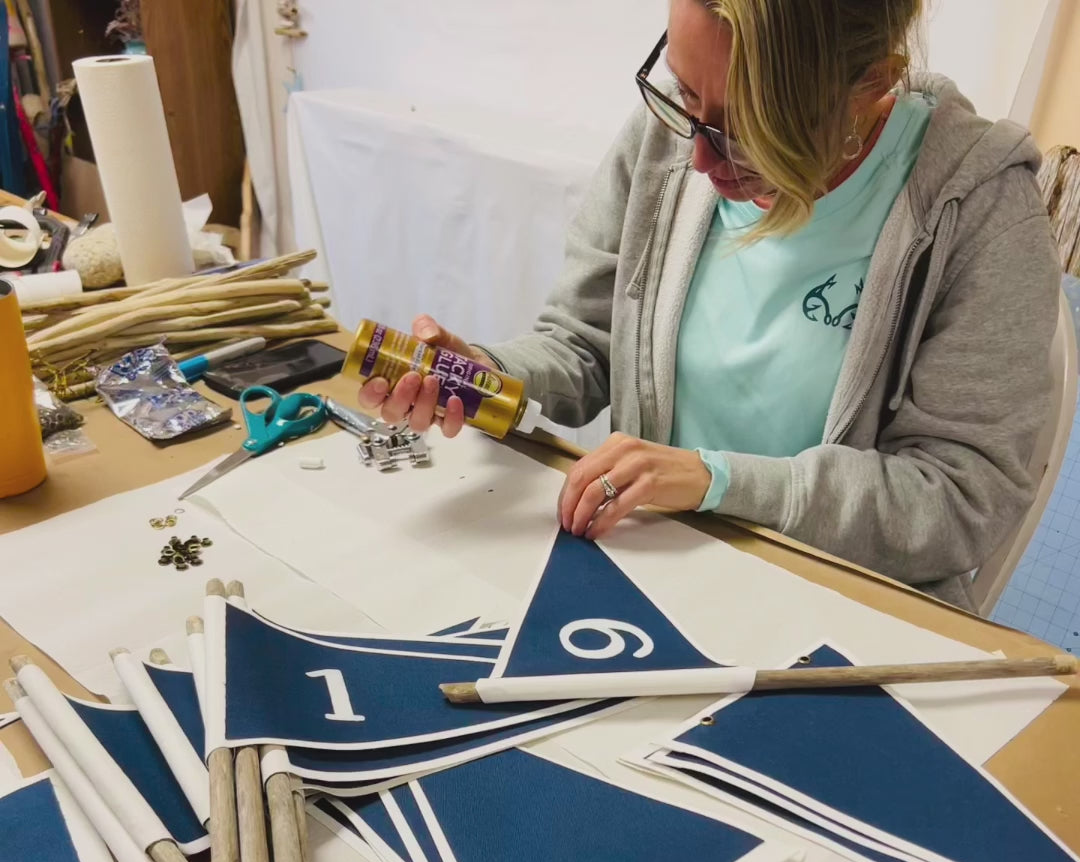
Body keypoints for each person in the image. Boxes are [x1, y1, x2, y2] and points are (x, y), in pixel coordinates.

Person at [358, 0, 1061, 609]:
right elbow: (584, 343)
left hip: (843, 615)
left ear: (870, 84)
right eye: (687, 98)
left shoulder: (981, 213)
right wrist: (483, 373)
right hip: (653, 575)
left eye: (747, 130)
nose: (697, 161)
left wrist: (719, 482)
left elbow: (960, 500)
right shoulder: (678, 133)